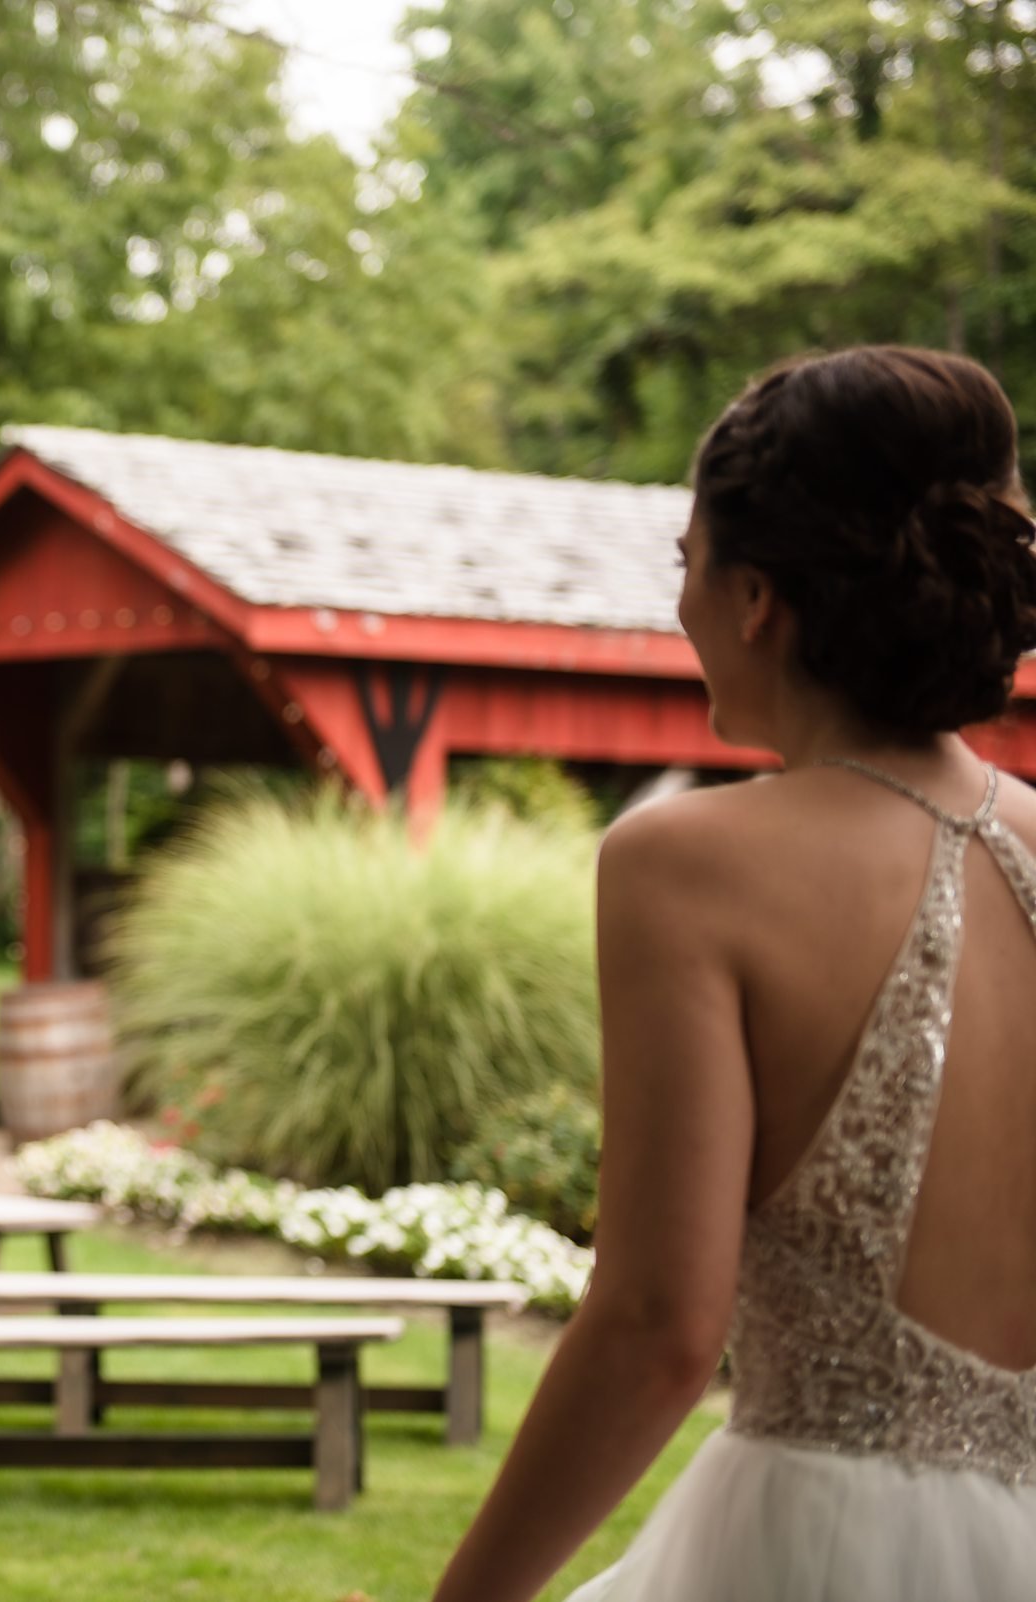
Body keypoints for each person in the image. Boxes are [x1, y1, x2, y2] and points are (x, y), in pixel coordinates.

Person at [430, 346, 1036, 1601]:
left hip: (817, 1548)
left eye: (686, 565)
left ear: (757, 597)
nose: (682, 606)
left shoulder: (687, 865)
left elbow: (659, 1329)